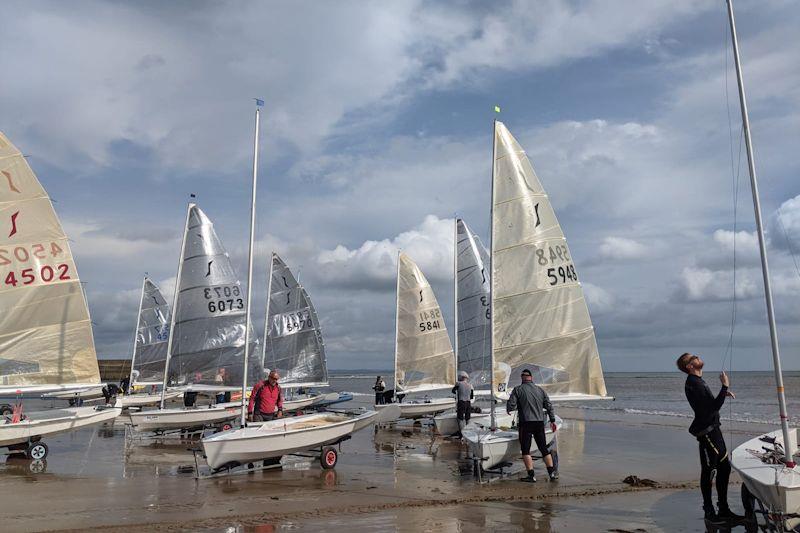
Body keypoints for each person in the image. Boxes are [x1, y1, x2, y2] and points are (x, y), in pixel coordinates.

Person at [677, 353, 743, 523]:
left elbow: (707, 405)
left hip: (713, 430)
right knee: (709, 472)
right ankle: (709, 512)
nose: (698, 358)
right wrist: (724, 387)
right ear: (690, 366)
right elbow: (711, 408)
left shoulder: (697, 382)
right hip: (707, 432)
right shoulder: (694, 383)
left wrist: (723, 394)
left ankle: (723, 509)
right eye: (694, 358)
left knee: (724, 469)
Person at [506, 368, 558, 482]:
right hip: (539, 423)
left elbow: (511, 405)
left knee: (525, 450)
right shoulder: (540, 390)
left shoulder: (517, 389)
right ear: (531, 378)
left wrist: (509, 408)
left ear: (522, 378)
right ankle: (552, 474)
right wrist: (553, 420)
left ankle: (531, 476)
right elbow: (549, 406)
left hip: (526, 424)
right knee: (543, 448)